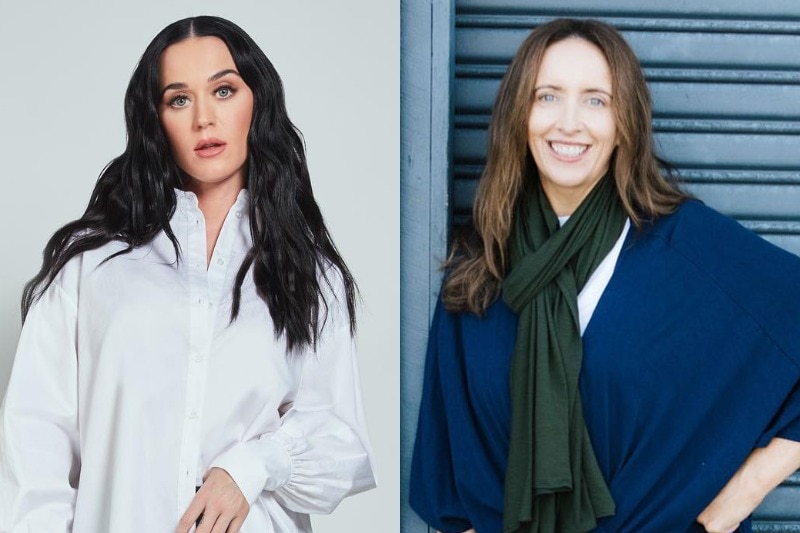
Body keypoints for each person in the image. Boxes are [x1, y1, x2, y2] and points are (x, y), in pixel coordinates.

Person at [409, 18, 800, 533]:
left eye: (596, 100)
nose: (569, 122)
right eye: (547, 96)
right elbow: (447, 481)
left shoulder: (689, 247)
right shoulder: (480, 267)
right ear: (517, 114)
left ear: (625, 122)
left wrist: (732, 502)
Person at [0, 15, 376, 533]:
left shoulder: (309, 273)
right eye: (179, 99)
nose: (204, 118)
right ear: (157, 120)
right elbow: (34, 447)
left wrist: (252, 466)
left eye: (223, 90)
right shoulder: (89, 264)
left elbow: (342, 444)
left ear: (256, 103)